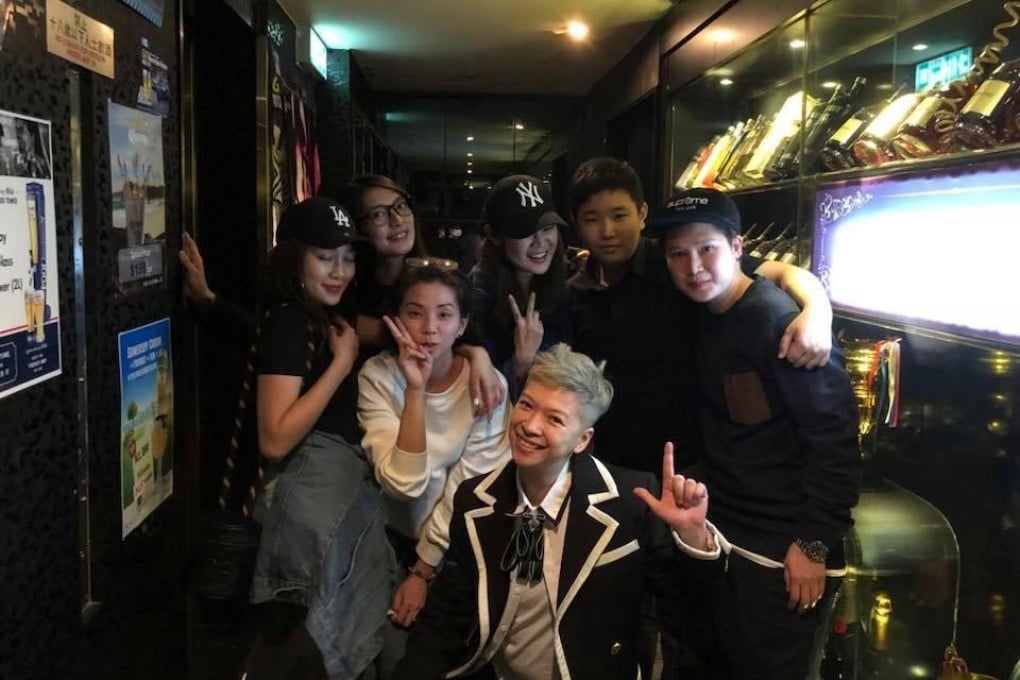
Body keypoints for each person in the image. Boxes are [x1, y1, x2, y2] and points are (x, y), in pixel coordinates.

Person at [391, 344, 718, 679]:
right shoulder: (476, 498)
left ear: (582, 439)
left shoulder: (629, 501)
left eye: (554, 419)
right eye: (526, 405)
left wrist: (693, 535)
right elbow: (447, 615)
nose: (530, 426)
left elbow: (688, 610)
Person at [644, 187, 861, 680]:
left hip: (782, 550)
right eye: (678, 254)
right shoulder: (705, 310)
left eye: (707, 250)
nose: (694, 266)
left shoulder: (779, 324)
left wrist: (813, 546)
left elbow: (836, 443)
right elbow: (780, 267)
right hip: (725, 534)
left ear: (737, 247)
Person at [567, 156, 835, 476]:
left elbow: (781, 272)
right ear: (577, 225)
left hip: (687, 458)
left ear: (641, 215)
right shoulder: (574, 291)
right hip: (607, 455)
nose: (608, 231)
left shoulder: (674, 258)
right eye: (592, 219)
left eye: (619, 215)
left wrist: (818, 309)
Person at [247, 197, 395, 680]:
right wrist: (342, 365)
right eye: (325, 257)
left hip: (327, 498)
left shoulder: (318, 317)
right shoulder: (291, 320)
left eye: (348, 257)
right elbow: (274, 437)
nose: (340, 270)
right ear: (294, 258)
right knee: (312, 643)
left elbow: (399, 327)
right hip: (309, 501)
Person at [357, 261, 511, 673]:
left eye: (444, 315)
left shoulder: (487, 384)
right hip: (391, 538)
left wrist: (424, 571)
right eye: (414, 312)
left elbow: (473, 485)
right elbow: (404, 485)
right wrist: (415, 389)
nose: (428, 328)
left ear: (462, 325)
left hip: (459, 543)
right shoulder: (377, 377)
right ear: (395, 319)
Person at [470, 174, 572, 398]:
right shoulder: (476, 295)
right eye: (525, 232)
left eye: (548, 228)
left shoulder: (563, 283)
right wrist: (521, 362)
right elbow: (476, 396)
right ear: (494, 236)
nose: (540, 242)